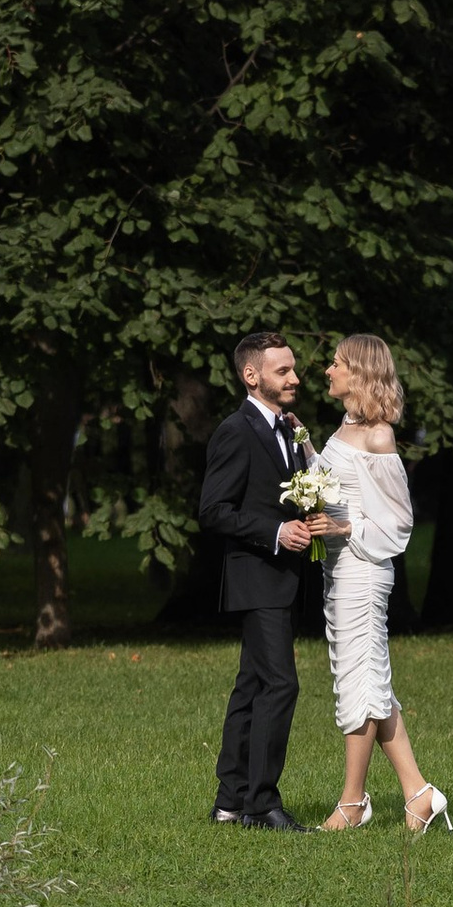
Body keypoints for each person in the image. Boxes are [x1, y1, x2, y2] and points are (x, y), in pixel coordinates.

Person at [309, 334, 452, 835]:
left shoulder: (379, 437)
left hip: (364, 572)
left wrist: (348, 528)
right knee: (369, 680)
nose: (327, 370)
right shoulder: (347, 425)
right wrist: (302, 443)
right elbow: (330, 486)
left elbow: (399, 521)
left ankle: (352, 803)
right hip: (338, 570)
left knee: (359, 681)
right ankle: (419, 793)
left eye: (337, 363)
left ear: (360, 372)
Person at [196, 327, 320, 829]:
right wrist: (274, 531)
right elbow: (213, 510)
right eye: (282, 370)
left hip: (283, 579)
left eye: (293, 369)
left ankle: (230, 800)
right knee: (280, 684)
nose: (293, 378)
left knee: (251, 686)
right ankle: (262, 804)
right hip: (256, 577)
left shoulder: (289, 429)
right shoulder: (235, 430)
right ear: (252, 375)